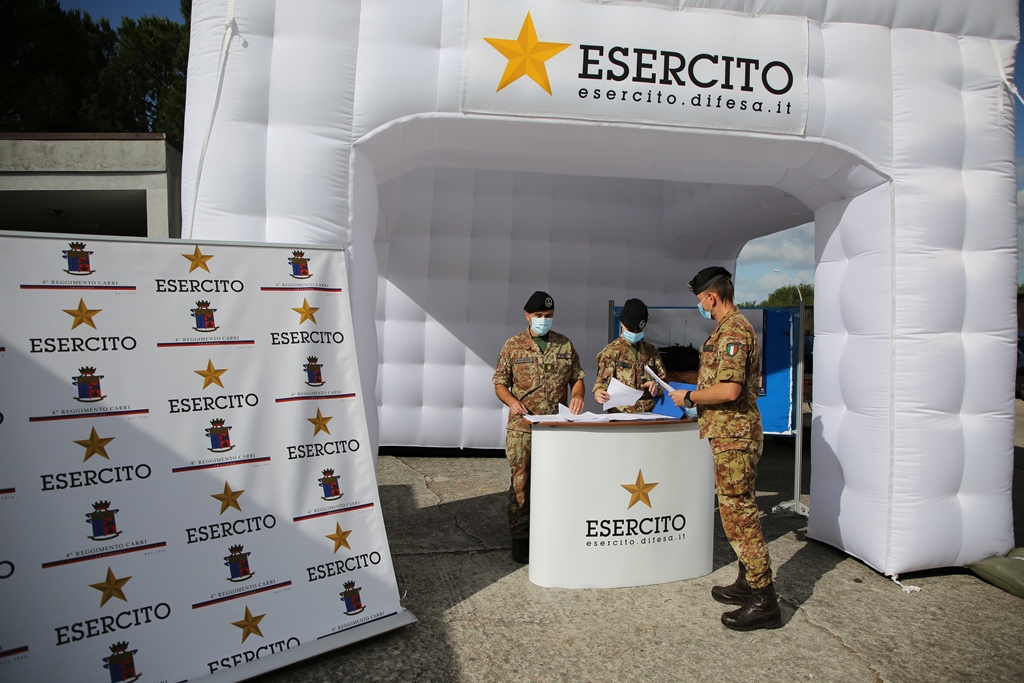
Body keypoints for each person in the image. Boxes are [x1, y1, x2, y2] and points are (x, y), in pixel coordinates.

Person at [670, 266, 781, 631]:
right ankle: (747, 582)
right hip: (729, 435)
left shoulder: (733, 331)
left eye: (700, 300)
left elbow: (729, 390)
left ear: (711, 297)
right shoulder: (727, 329)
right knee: (737, 509)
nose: (701, 306)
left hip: (735, 436)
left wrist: (690, 397)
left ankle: (764, 599)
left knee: (739, 515)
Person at [493, 291, 585, 563]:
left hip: (556, 428)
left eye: (548, 315)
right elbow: (500, 383)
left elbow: (577, 377)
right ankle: (521, 538)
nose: (544, 319)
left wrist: (578, 395)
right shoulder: (514, 346)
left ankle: (551, 532)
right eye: (539, 315)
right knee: (521, 483)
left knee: (556, 481)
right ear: (527, 316)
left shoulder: (564, 344)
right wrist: (512, 402)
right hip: (523, 429)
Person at [593, 298, 667, 413]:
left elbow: (665, 386)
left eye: (638, 331)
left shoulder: (651, 352)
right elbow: (600, 386)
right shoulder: (611, 352)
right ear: (622, 324)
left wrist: (656, 386)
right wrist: (599, 394)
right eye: (631, 330)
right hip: (621, 416)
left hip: (649, 416)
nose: (634, 334)